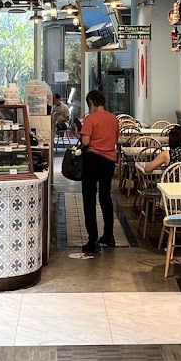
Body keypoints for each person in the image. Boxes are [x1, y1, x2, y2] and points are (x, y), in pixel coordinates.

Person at [79, 89, 119, 255]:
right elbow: (115, 140)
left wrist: (79, 134)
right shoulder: (114, 119)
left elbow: (86, 141)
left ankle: (92, 240)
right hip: (109, 161)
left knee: (89, 199)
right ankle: (109, 235)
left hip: (92, 160)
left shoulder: (90, 118)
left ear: (92, 103)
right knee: (105, 197)